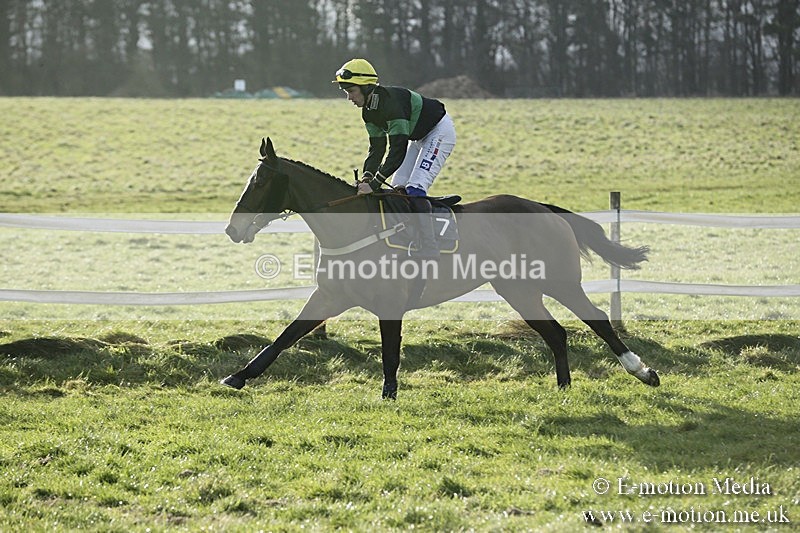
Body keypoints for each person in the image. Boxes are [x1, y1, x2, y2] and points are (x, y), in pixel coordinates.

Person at [333, 58, 456, 258]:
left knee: (415, 188)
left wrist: (374, 185)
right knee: (397, 189)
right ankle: (407, 238)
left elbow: (397, 150)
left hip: (438, 132)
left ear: (366, 88)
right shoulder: (369, 112)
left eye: (351, 92)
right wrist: (367, 176)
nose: (349, 98)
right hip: (417, 137)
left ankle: (430, 246)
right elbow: (377, 148)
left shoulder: (391, 104)